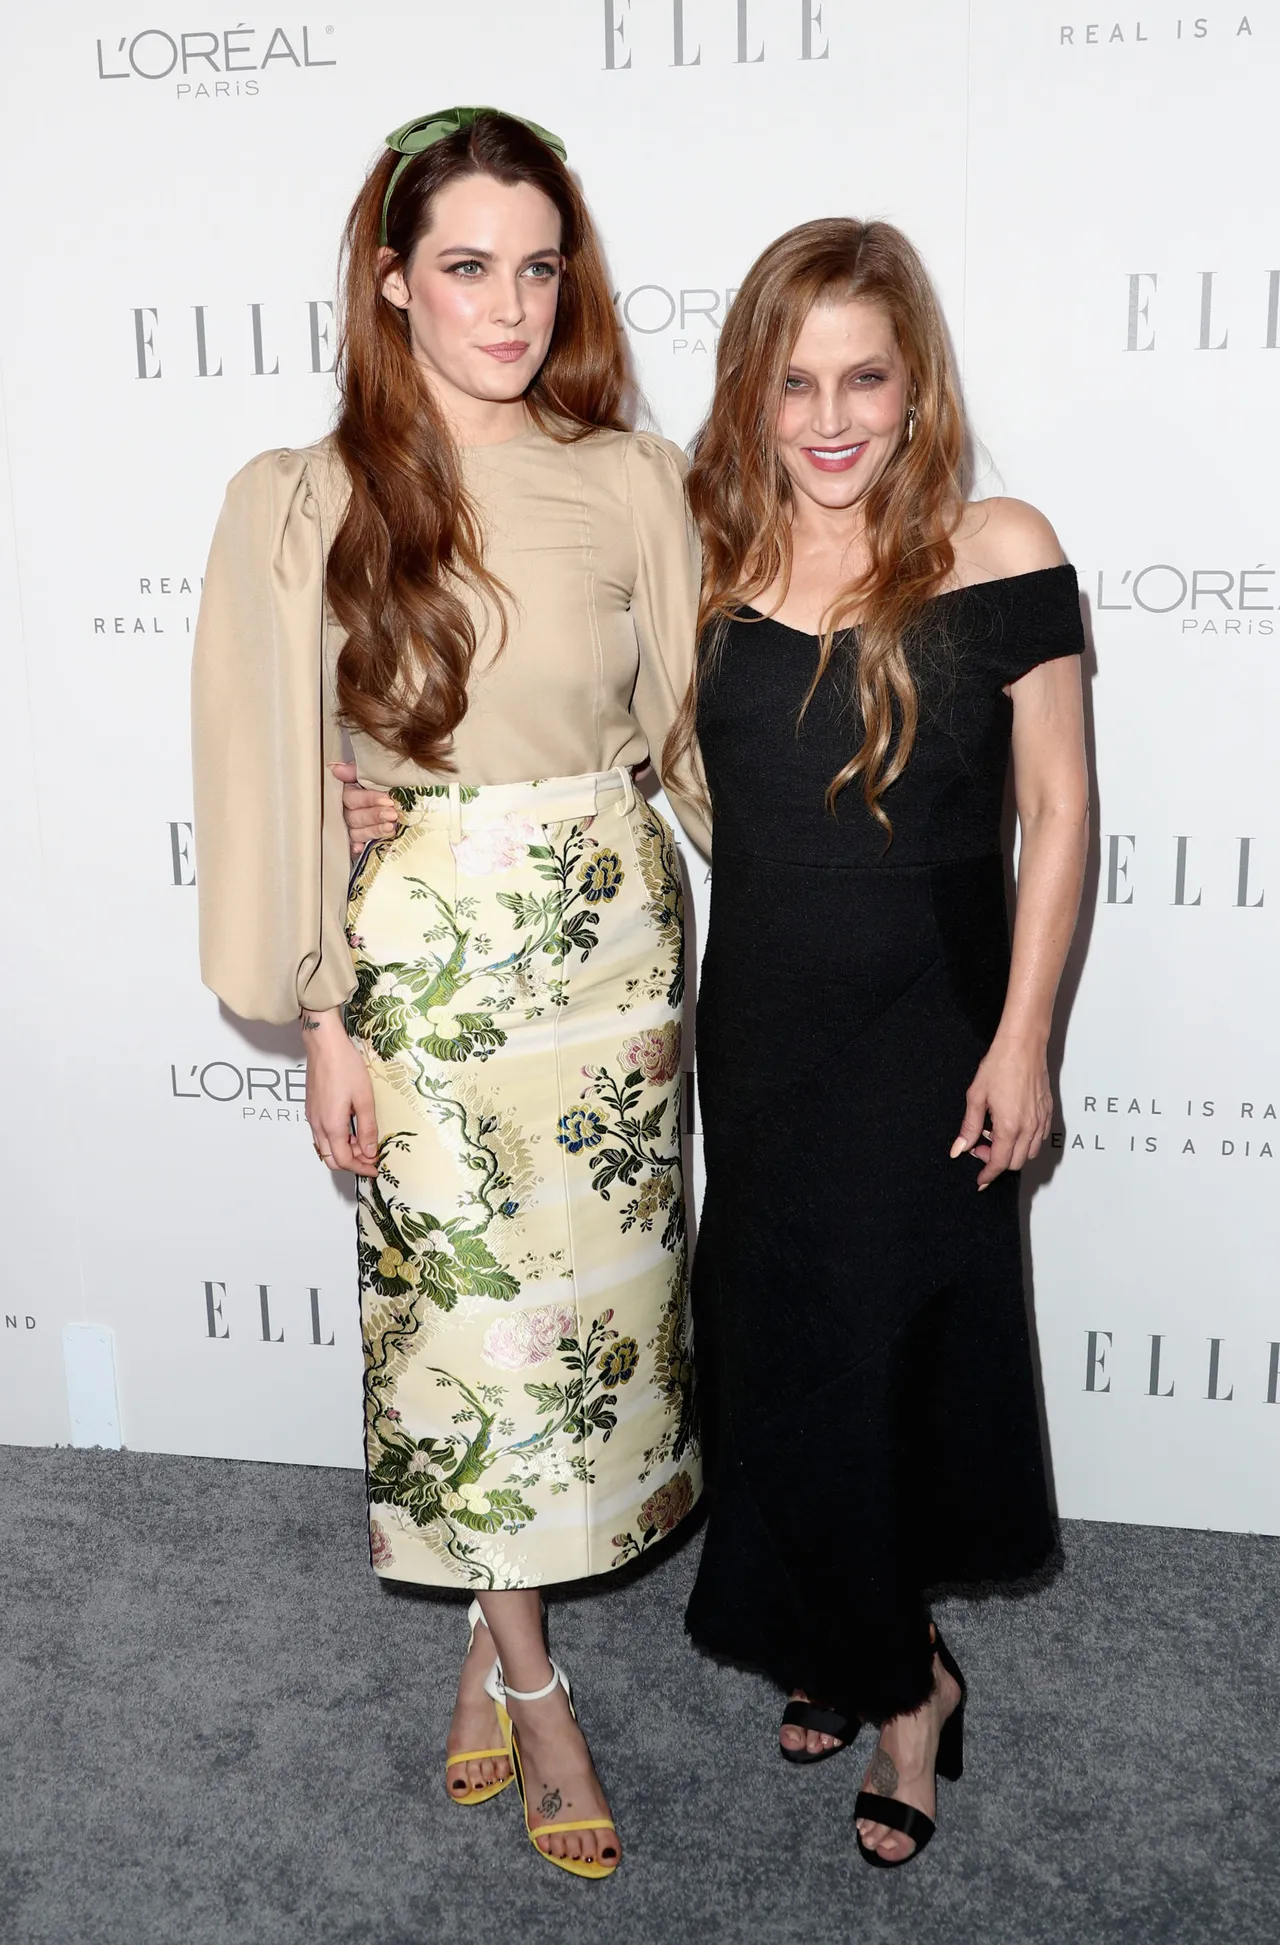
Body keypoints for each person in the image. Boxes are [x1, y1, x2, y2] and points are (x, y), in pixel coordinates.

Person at [339, 215, 1090, 1867]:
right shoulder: (708, 557)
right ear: (751, 393)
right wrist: (386, 772)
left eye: (865, 380)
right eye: (794, 383)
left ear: (916, 387)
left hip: (935, 1030)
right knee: (787, 1345)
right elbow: (540, 666)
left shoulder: (998, 548)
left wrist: (1026, 1037)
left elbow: (1060, 808)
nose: (831, 418)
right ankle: (844, 1630)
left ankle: (912, 1694)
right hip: (755, 1035)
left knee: (895, 1346)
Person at [191, 106, 710, 1881]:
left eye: (539, 268)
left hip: (611, 954)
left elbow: (698, 741)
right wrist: (322, 1014)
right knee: (466, 1339)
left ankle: (491, 1647)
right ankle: (539, 1690)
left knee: (599, 1325)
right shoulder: (304, 499)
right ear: (394, 279)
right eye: (468, 266)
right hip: (423, 964)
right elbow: (273, 767)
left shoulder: (633, 479)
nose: (509, 306)